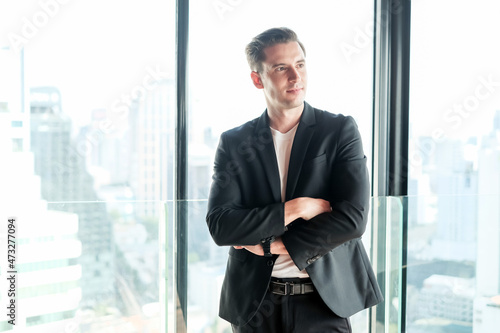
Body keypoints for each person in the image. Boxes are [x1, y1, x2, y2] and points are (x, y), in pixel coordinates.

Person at [206, 27, 383, 332]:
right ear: (257, 78)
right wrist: (298, 207)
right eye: (281, 68)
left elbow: (353, 220)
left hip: (324, 304)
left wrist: (269, 246)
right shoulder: (235, 143)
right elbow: (222, 225)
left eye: (300, 64)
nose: (295, 76)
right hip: (254, 306)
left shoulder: (339, 131)